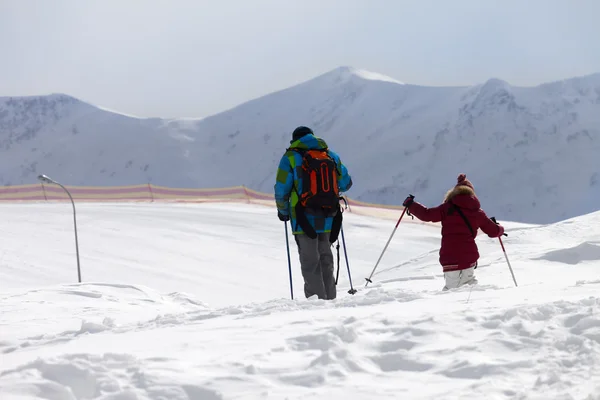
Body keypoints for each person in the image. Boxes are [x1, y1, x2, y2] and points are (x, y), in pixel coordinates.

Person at [274, 126, 353, 300]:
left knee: (311, 264)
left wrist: (283, 211)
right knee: (326, 260)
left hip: (302, 218)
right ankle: (331, 301)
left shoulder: (291, 157)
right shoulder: (330, 155)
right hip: (328, 215)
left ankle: (316, 307)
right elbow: (346, 183)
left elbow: (281, 188)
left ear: (295, 139)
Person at [402, 173, 505, 290]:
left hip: (449, 258)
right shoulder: (477, 212)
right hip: (468, 257)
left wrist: (411, 205)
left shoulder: (447, 208)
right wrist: (500, 229)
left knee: (451, 291)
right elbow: (493, 231)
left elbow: (427, 215)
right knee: (469, 287)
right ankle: (472, 306)